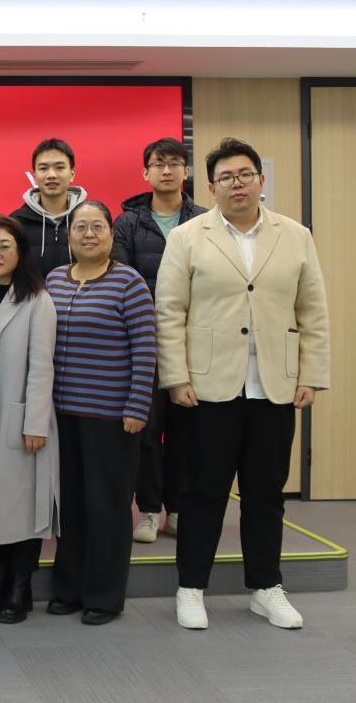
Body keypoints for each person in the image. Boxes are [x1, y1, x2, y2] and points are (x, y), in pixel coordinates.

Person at [157, 138, 330, 632]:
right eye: (226, 178)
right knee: (203, 492)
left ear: (261, 180)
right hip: (208, 387)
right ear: (211, 187)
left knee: (266, 492)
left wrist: (312, 375)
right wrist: (175, 377)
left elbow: (313, 310)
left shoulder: (295, 235)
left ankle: (266, 587)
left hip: (275, 385)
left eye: (245, 175)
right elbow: (169, 311)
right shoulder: (188, 237)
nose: (237, 184)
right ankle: (191, 588)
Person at [45, 201, 156, 626]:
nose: (88, 234)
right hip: (62, 415)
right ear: (70, 235)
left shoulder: (129, 283)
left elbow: (145, 350)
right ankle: (69, 588)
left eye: (97, 227)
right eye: (80, 227)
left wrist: (137, 406)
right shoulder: (55, 279)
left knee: (107, 507)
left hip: (111, 417)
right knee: (71, 506)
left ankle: (104, 596)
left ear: (111, 234)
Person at [111, 138, 207, 544]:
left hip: (194, 344)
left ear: (186, 171)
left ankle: (179, 509)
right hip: (145, 344)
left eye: (174, 163)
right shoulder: (127, 223)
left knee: (187, 433)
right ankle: (149, 511)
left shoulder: (206, 221)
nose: (166, 170)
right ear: (145, 172)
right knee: (147, 433)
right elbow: (122, 280)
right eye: (158, 164)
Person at [0, 214, 58, 625]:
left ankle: (21, 588)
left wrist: (35, 421)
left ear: (20, 252)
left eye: (5, 246)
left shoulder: (37, 299)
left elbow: (42, 366)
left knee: (20, 507)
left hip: (21, 419)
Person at [10, 139, 89, 277]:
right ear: (34, 176)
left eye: (59, 167)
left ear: (72, 173)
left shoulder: (90, 219)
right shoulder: (16, 223)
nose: (51, 175)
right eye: (43, 168)